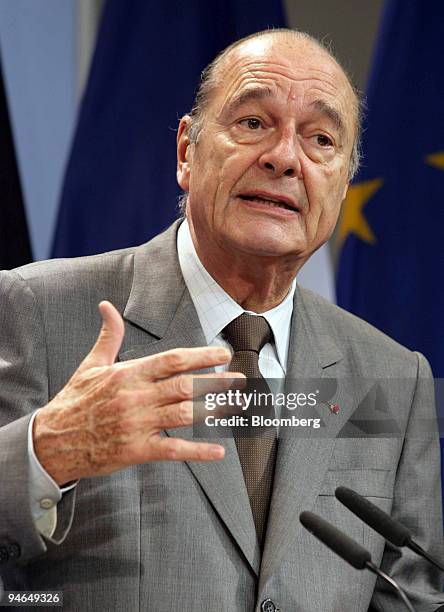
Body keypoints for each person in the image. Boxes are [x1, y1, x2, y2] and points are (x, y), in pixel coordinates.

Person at [0, 28, 443, 612]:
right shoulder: (38, 308)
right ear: (187, 150)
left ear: (341, 186)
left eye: (321, 139)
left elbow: (412, 593)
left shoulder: (391, 376)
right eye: (254, 123)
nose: (285, 158)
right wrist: (45, 454)